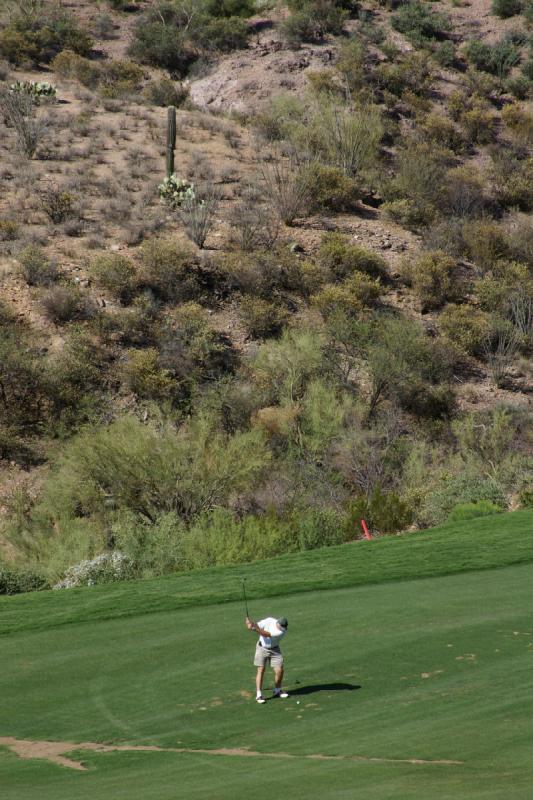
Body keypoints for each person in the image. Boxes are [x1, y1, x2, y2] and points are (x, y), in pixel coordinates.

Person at [246, 615, 289, 704]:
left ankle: (277, 690)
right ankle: (259, 694)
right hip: (262, 648)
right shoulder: (269, 620)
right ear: (278, 624)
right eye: (282, 627)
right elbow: (259, 626)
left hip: (274, 649)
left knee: (279, 670)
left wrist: (253, 628)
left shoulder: (281, 632)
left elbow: (265, 634)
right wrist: (251, 624)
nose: (284, 629)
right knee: (261, 670)